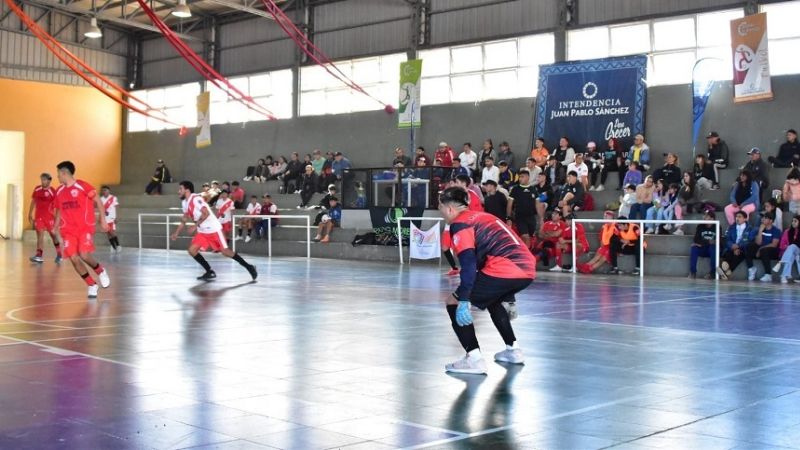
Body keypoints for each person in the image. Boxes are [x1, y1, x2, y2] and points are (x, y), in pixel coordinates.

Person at [438, 187, 536, 374]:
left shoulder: (460, 224)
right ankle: (513, 350)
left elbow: (467, 265)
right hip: (528, 269)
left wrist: (464, 298)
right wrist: (511, 297)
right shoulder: (484, 216)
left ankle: (473, 359)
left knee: (453, 302)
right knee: (493, 300)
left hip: (505, 269)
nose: (441, 213)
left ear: (449, 209)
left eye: (440, 208)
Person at [171, 181, 257, 282]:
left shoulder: (196, 199)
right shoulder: (184, 202)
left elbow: (206, 213)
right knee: (192, 250)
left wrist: (195, 225)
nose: (178, 191)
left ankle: (249, 267)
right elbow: (185, 218)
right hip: (203, 231)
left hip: (213, 229)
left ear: (187, 190)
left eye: (180, 189)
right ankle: (209, 271)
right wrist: (177, 232)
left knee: (225, 252)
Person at [53, 161, 111, 298]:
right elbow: (59, 209)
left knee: (84, 254)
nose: (58, 177)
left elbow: (98, 200)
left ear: (64, 173)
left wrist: (103, 219)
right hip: (68, 230)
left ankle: (100, 271)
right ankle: (91, 284)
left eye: (58, 174)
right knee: (74, 258)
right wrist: (55, 226)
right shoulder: (59, 191)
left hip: (84, 227)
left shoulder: (82, 186)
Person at [28, 173, 62, 263]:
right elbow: (33, 201)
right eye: (42, 179)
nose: (43, 181)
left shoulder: (52, 191)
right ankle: (39, 255)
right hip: (39, 217)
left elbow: (57, 206)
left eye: (45, 180)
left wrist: (57, 218)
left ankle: (59, 253)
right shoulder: (37, 189)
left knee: (53, 235)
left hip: (49, 217)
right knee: (39, 234)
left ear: (49, 180)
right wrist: (30, 213)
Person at [717, 211, 755, 280]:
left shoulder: (750, 228)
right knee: (728, 254)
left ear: (745, 219)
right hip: (731, 248)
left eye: (740, 217)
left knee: (738, 255)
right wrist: (732, 246)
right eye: (736, 217)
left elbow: (749, 240)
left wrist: (738, 246)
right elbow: (727, 238)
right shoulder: (731, 227)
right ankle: (727, 272)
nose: (737, 218)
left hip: (742, 249)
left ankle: (725, 272)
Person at [748, 212, 782, 282]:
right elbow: (758, 242)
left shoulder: (776, 230)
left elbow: (774, 244)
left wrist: (760, 248)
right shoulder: (761, 229)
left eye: (765, 218)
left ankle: (768, 274)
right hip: (762, 250)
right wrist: (760, 231)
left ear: (771, 221)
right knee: (748, 247)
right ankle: (751, 268)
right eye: (763, 218)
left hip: (773, 251)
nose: (763, 219)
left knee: (764, 251)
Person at [506, 169, 537, 247]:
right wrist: (508, 218)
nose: (520, 179)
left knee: (529, 237)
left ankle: (528, 253)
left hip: (531, 217)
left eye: (522, 177)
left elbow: (538, 204)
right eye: (519, 177)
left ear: (527, 177)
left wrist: (541, 217)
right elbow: (509, 204)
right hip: (520, 217)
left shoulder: (533, 189)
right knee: (525, 236)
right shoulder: (515, 189)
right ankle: (526, 257)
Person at [689, 210, 718, 279]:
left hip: (711, 250)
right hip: (702, 249)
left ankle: (712, 273)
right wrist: (708, 242)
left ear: (712, 219)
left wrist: (702, 243)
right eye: (704, 215)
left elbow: (717, 241)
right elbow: (696, 239)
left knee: (713, 247)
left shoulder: (717, 226)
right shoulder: (700, 226)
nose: (704, 217)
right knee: (694, 248)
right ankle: (693, 272)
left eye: (706, 216)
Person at [773, 215, 800, 283]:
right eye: (792, 221)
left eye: (795, 221)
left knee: (792, 248)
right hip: (790, 252)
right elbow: (782, 245)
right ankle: (784, 275)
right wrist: (788, 247)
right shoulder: (787, 232)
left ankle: (781, 265)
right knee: (792, 253)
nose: (793, 223)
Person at [100, 186, 121, 252]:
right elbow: (101, 208)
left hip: (112, 218)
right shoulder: (101, 199)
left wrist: (117, 216)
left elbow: (117, 207)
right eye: (103, 190)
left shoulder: (113, 198)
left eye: (105, 190)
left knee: (112, 232)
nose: (104, 192)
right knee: (108, 233)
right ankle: (113, 246)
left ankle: (118, 245)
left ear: (109, 191)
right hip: (104, 218)